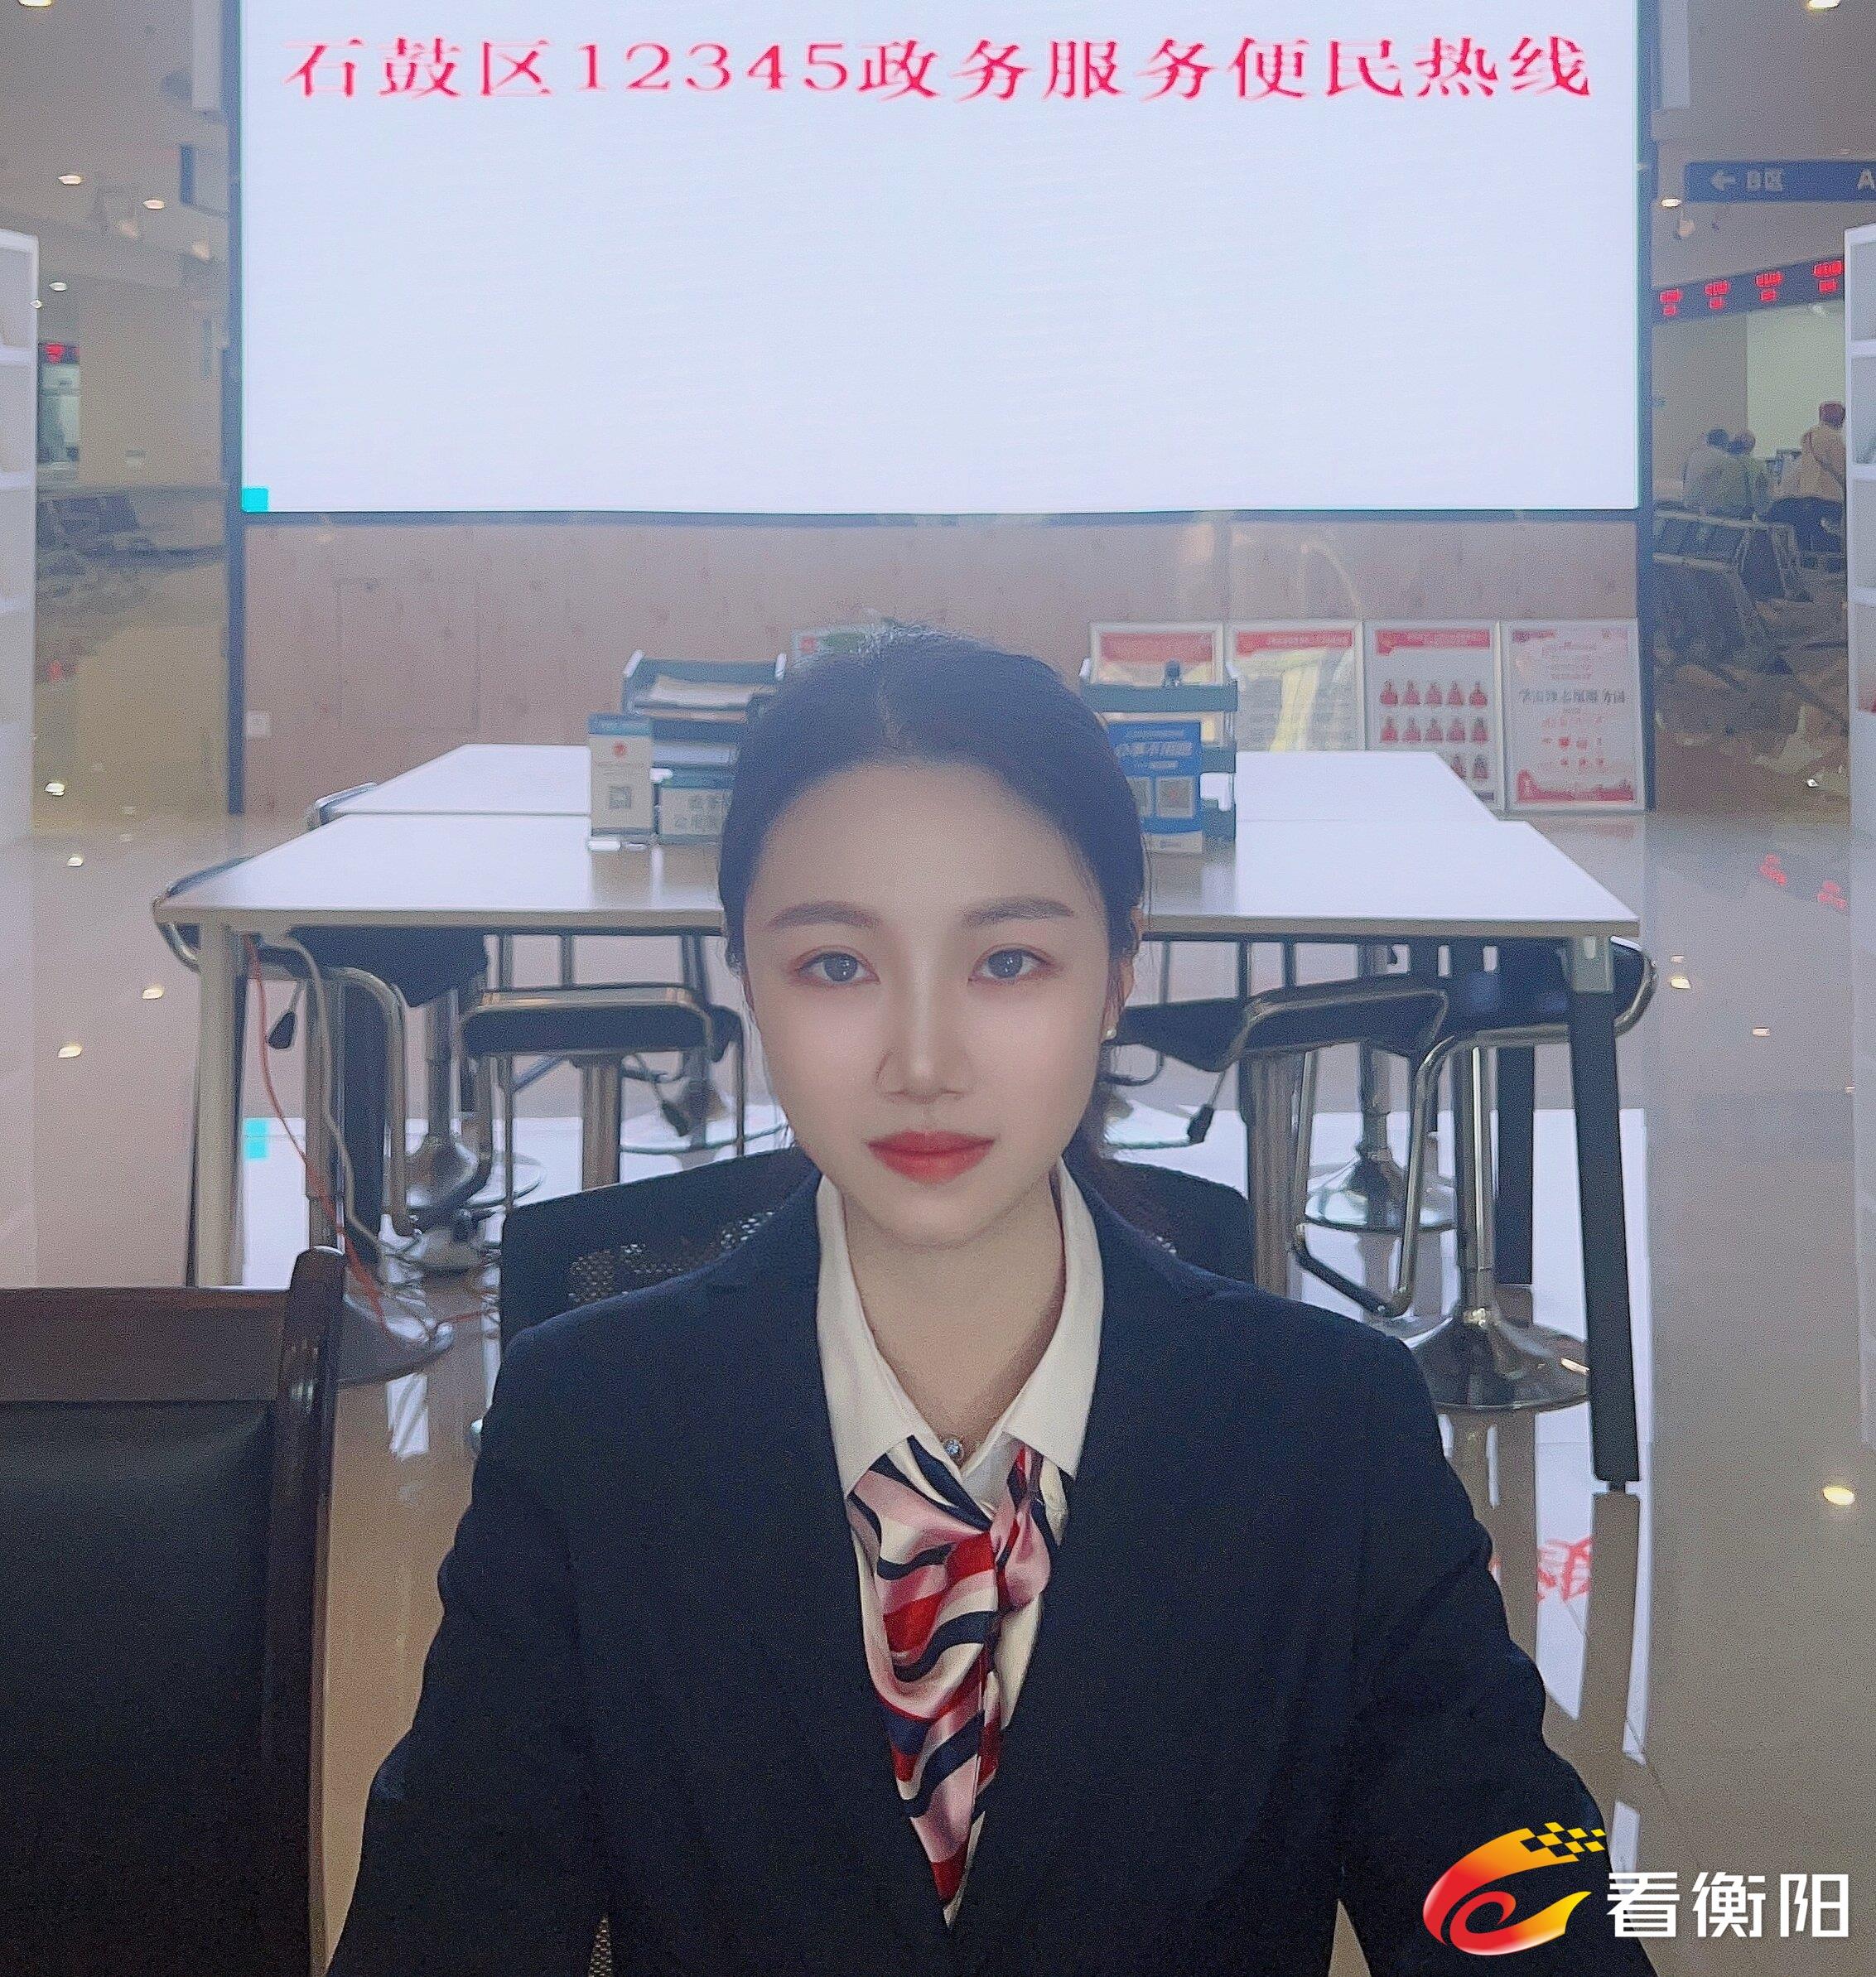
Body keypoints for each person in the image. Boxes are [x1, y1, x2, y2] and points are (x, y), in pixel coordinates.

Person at [331, 628, 1655, 1977]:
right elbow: (449, 1916)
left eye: (1009, 961)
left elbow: (1520, 1906)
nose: (923, 1061)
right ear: (747, 979)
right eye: (835, 964)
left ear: (1119, 971)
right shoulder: (590, 1428)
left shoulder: (1331, 1433)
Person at [1767, 399, 1848, 551]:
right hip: (1826, 498)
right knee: (1830, 535)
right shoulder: (1834, 439)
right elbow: (1842, 470)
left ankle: (1805, 560)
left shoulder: (1810, 437)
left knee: (1804, 533)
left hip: (1803, 498)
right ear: (1840, 419)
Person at [1681, 424, 1732, 509]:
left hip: (1688, 504)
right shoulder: (1724, 459)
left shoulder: (1694, 455)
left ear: (1708, 441)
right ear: (1725, 443)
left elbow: (1684, 477)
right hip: (1708, 509)